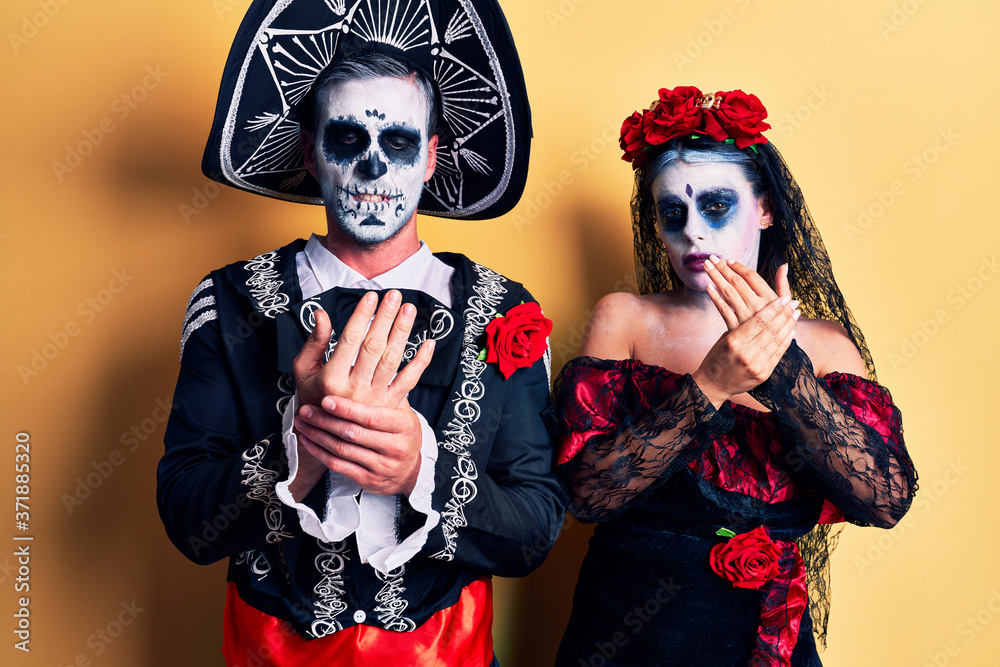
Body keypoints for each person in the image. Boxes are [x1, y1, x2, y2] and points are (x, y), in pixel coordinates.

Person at [156, 1, 563, 665]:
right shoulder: (229, 301)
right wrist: (303, 447)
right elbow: (189, 520)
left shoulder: (502, 311)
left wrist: (419, 472)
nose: (375, 167)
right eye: (348, 139)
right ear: (312, 154)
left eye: (399, 143)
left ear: (431, 158)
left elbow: (534, 531)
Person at [550, 86, 918, 666]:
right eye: (674, 213)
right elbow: (587, 496)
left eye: (716, 205)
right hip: (626, 632)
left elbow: (887, 501)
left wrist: (786, 378)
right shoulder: (625, 318)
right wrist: (712, 385)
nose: (693, 231)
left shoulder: (825, 345)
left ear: (765, 207)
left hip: (764, 637)